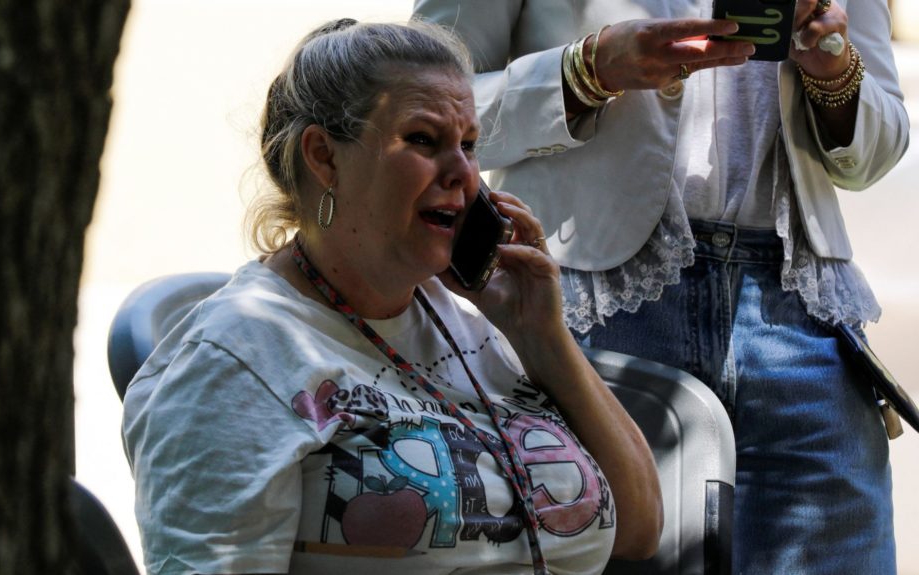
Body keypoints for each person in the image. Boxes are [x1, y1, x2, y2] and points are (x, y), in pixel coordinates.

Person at [122, 18, 663, 575]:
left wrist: (541, 336)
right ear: (324, 156)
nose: (464, 175)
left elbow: (640, 529)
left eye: (469, 145)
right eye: (423, 140)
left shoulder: (468, 320)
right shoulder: (231, 362)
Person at [413, 0, 909, 573]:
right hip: (599, 307)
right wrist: (586, 72)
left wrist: (833, 67)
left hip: (798, 311)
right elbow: (422, 103)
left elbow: (877, 152)